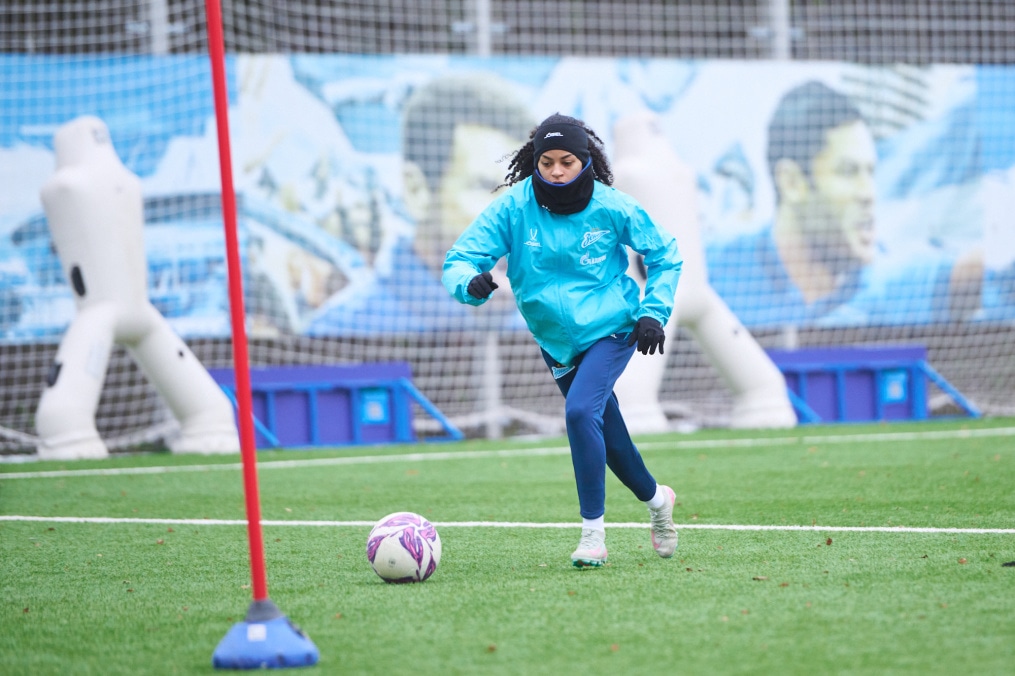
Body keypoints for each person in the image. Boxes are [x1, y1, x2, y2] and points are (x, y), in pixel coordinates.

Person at [442, 113, 683, 568]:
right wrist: (468, 284)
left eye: (566, 161)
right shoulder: (513, 208)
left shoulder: (612, 206)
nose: (556, 171)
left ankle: (593, 535)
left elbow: (665, 254)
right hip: (555, 342)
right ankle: (658, 501)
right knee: (611, 439)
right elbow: (460, 258)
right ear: (535, 163)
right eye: (547, 162)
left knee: (578, 412)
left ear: (585, 161)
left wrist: (653, 312)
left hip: (613, 328)